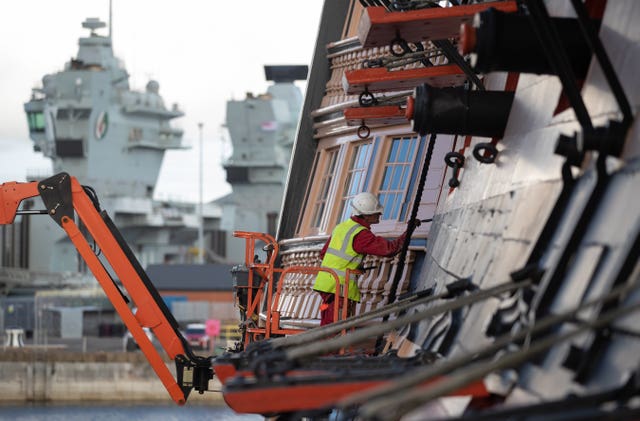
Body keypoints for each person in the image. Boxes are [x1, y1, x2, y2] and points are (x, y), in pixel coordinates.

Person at [313, 192, 420, 325]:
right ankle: (326, 346)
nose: (380, 215)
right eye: (376, 212)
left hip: (326, 284)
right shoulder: (361, 234)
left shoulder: (342, 227)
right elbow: (390, 249)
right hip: (338, 287)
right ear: (366, 215)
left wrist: (352, 264)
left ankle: (324, 345)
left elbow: (324, 254)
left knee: (328, 324)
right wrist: (409, 230)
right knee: (334, 329)